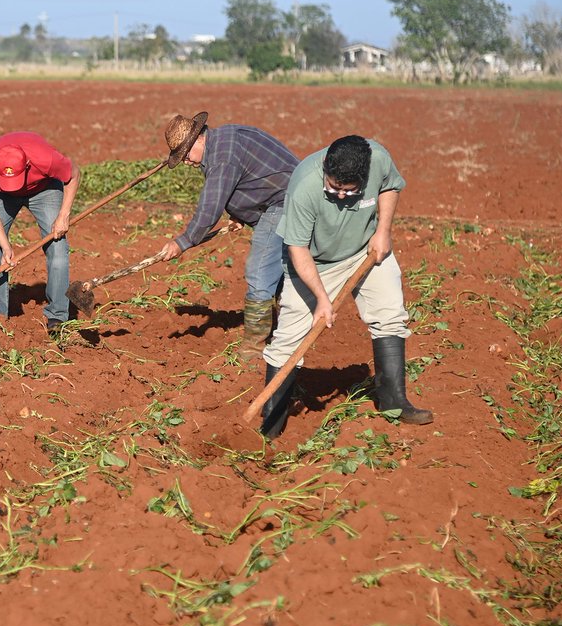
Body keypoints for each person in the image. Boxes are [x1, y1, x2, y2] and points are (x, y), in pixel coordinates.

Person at [257, 134, 433, 438]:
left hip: (365, 249)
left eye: (347, 191)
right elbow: (297, 249)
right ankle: (271, 423)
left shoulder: (377, 158)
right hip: (315, 263)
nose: (339, 195)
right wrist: (322, 300)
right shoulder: (304, 186)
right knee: (288, 338)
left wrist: (383, 231)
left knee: (389, 313)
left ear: (363, 177)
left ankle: (394, 402)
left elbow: (390, 186)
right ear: (326, 166)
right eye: (333, 187)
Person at [156, 112, 299, 362]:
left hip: (285, 202)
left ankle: (255, 348)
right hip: (282, 199)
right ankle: (288, 330)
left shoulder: (222, 156)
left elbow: (210, 206)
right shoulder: (223, 139)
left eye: (185, 155)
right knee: (278, 271)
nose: (187, 162)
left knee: (259, 270)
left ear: (198, 140)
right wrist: (241, 213)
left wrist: (183, 241)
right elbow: (251, 177)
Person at [0, 132, 80, 332]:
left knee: (57, 245)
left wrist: (63, 215)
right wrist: (5, 246)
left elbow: (74, 174)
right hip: (3, 196)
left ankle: (58, 317)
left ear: (27, 166)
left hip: (44, 188)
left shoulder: (45, 158)